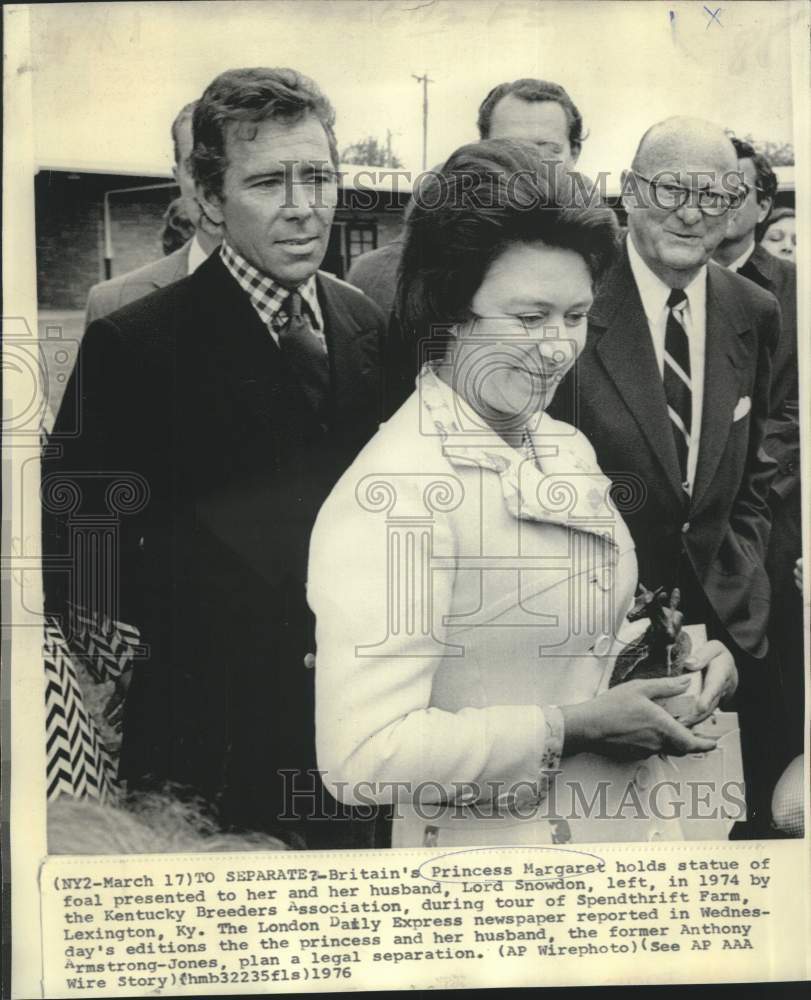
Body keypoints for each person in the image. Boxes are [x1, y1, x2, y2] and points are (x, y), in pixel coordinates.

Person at [308, 141, 739, 847]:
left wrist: (680, 665)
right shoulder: (397, 492)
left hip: (621, 845)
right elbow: (361, 759)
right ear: (446, 310)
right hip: (492, 882)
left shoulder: (560, 444)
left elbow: (577, 636)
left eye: (573, 317)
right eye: (529, 317)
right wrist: (568, 729)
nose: (556, 348)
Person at [43, 67, 388, 848]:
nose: (303, 208)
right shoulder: (135, 343)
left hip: (351, 737)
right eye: (268, 182)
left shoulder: (362, 321)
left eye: (319, 177)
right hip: (208, 755)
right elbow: (78, 550)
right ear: (206, 198)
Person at [549, 117, 782, 835]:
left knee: (714, 854)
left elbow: (753, 479)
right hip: (586, 649)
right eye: (670, 188)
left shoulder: (756, 311)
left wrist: (732, 590)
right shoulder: (573, 304)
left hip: (724, 643)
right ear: (627, 192)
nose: (690, 211)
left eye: (714, 196)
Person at [347, 78, 584, 320]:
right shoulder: (398, 268)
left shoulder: (605, 259)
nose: (527, 162)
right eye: (508, 147)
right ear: (482, 149)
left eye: (547, 149)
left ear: (574, 153)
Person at [714, 138, 802, 767]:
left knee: (773, 664)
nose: (711, 204)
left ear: (764, 205)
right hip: (693, 518)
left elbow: (794, 408)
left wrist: (739, 472)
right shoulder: (671, 282)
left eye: (731, 190)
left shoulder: (794, 290)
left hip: (771, 510)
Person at [84, 100, 222, 325]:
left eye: (222, 168)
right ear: (177, 177)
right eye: (197, 168)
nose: (212, 189)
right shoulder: (112, 303)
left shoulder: (296, 297)